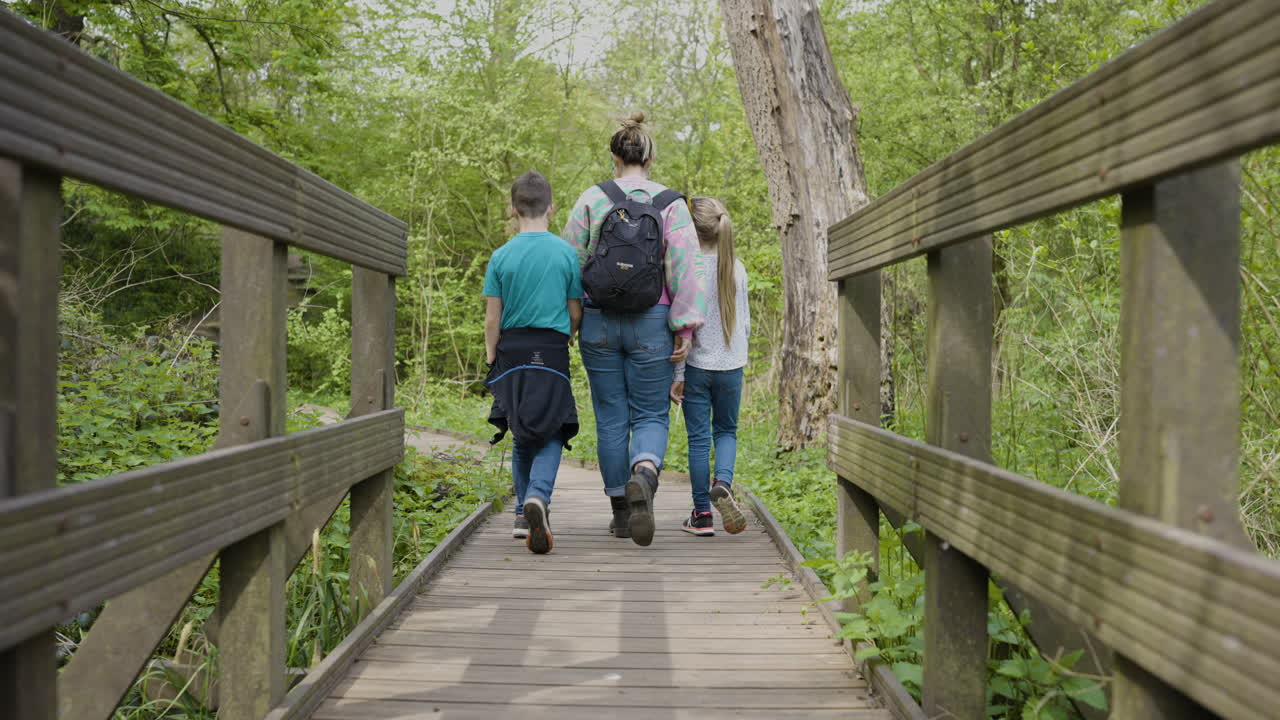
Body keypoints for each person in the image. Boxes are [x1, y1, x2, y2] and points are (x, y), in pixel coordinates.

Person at [561, 112, 705, 547]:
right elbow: (686, 270)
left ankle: (621, 514)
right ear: (650, 156)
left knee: (610, 418)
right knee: (650, 413)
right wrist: (685, 328)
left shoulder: (592, 198)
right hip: (652, 323)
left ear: (614, 157)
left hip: (599, 321)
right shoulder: (672, 205)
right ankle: (645, 471)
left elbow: (572, 262)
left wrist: (574, 319)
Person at [483, 171, 582, 554]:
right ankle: (538, 495)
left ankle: (523, 515)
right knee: (556, 428)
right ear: (552, 209)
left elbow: (493, 317)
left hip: (512, 350)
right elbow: (575, 311)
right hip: (552, 349)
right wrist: (569, 336)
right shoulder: (565, 254)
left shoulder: (501, 256)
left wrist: (492, 356)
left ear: (512, 210)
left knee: (520, 429)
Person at [670, 196, 749, 536]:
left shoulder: (689, 270)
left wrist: (677, 375)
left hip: (698, 367)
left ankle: (702, 514)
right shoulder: (738, 268)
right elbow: (743, 325)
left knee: (699, 440)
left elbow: (680, 328)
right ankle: (724, 485)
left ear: (691, 228)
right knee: (727, 431)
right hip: (732, 365)